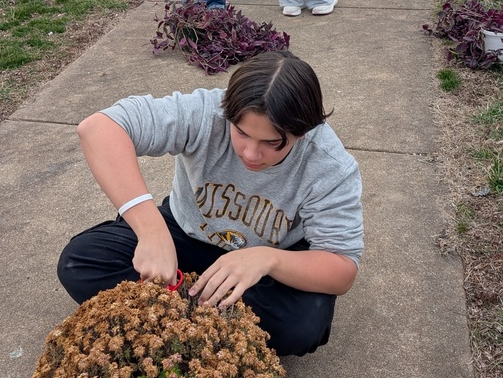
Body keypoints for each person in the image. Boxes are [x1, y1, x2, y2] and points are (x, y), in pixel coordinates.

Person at [57, 50, 364, 358]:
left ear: (303, 132)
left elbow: (341, 269)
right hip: (187, 233)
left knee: (302, 327)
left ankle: (176, 311)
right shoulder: (205, 113)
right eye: (241, 133)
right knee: (79, 264)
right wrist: (151, 231)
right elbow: (98, 128)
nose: (251, 154)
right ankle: (202, 321)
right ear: (227, 111)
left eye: (273, 143)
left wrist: (268, 260)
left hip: (272, 257)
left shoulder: (328, 163)